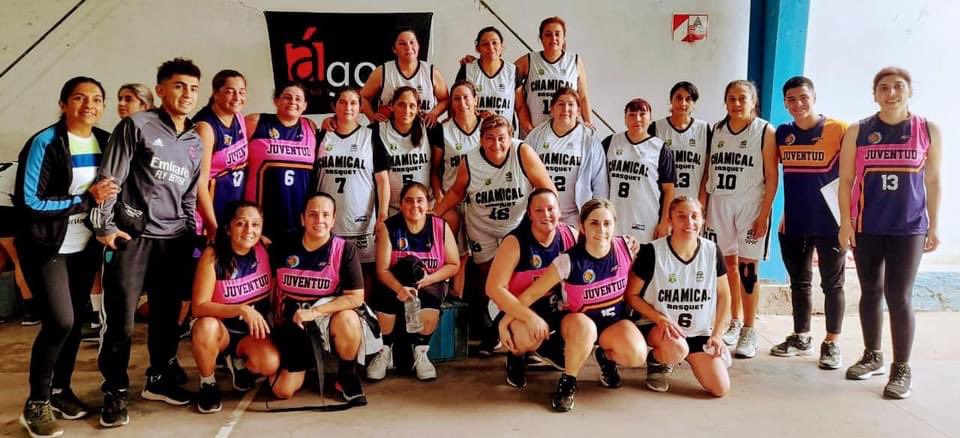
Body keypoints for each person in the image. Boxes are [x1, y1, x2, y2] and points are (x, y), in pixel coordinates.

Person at [92, 58, 204, 427]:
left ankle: (158, 378)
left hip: (173, 242)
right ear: (160, 90)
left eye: (192, 88)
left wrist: (190, 232)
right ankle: (115, 390)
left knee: (166, 320)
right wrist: (106, 228)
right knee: (121, 321)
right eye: (178, 86)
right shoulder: (136, 126)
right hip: (133, 240)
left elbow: (189, 195)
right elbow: (110, 179)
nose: (186, 94)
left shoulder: (193, 141)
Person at [13, 76, 119, 438]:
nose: (88, 105)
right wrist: (86, 199)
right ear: (63, 104)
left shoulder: (106, 141)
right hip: (46, 246)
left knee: (75, 323)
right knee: (59, 320)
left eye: (96, 99)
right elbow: (30, 201)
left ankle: (60, 391)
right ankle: (37, 402)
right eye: (78, 98)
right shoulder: (45, 142)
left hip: (84, 245)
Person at [838, 67, 941, 400]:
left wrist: (934, 225)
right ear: (875, 94)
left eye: (898, 87)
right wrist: (846, 222)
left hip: (908, 228)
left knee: (899, 297)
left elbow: (934, 181)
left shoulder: (927, 129)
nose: (891, 93)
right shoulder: (859, 130)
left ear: (909, 91)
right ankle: (872, 355)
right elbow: (846, 182)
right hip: (868, 225)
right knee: (870, 291)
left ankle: (901, 367)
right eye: (884, 87)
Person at [433, 115, 554, 353]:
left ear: (511, 137)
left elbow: (546, 187)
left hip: (517, 227)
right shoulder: (470, 160)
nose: (496, 144)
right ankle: (495, 328)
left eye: (501, 138)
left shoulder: (523, 153)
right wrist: (434, 214)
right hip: (482, 226)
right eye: (489, 139)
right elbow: (457, 191)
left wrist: (550, 220)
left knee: (515, 279)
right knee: (489, 280)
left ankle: (515, 324)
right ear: (480, 140)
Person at [513, 199, 645, 412]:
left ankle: (605, 356)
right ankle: (568, 381)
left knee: (636, 354)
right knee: (585, 328)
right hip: (576, 325)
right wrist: (505, 322)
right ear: (582, 227)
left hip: (611, 323)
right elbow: (531, 294)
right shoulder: (567, 261)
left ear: (614, 225)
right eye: (594, 223)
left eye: (607, 223)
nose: (601, 229)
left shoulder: (626, 248)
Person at [269, 193, 378, 403]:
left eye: (325, 215)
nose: (319, 220)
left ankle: (347, 375)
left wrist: (315, 312)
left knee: (349, 318)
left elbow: (355, 298)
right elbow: (271, 282)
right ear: (302, 218)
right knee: (283, 391)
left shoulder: (345, 249)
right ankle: (275, 362)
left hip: (326, 316)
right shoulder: (283, 244)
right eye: (313, 214)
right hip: (293, 320)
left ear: (333, 219)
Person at [770, 76, 848, 369]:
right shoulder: (782, 134)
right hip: (794, 221)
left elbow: (852, 177)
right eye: (791, 99)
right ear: (785, 103)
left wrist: (849, 219)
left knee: (833, 284)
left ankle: (832, 342)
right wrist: (782, 213)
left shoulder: (839, 130)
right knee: (799, 282)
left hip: (831, 222)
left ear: (814, 97)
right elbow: (776, 175)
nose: (798, 104)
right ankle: (801, 336)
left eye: (803, 97)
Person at [625, 196, 732, 396]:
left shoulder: (712, 251)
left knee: (720, 389)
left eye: (694, 217)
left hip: (698, 332)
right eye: (681, 216)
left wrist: (717, 335)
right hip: (659, 327)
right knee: (676, 348)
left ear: (703, 220)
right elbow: (631, 295)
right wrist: (659, 318)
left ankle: (688, 355)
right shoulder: (652, 252)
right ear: (670, 220)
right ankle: (658, 360)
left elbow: (725, 296)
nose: (689, 223)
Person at [704, 80, 778, 359]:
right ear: (725, 102)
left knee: (748, 269)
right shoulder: (717, 130)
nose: (736, 104)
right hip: (720, 203)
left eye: (742, 99)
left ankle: (749, 328)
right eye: (731, 98)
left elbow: (772, 177)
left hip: (750, 205)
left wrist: (764, 214)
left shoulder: (764, 131)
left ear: (753, 101)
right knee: (728, 265)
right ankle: (734, 321)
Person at [191, 201, 279, 413]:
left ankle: (238, 361)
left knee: (269, 363)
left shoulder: (265, 249)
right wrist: (241, 309)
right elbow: (199, 307)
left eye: (255, 224)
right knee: (205, 326)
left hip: (250, 333)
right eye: (241, 223)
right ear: (228, 228)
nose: (249, 230)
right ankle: (207, 383)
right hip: (220, 330)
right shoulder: (213, 256)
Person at [368, 182, 460, 381]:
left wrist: (429, 279)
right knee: (396, 278)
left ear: (428, 204)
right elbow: (382, 270)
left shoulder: (440, 226)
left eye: (420, 201)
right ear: (400, 204)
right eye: (409, 201)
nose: (414, 205)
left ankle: (421, 351)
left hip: (430, 282)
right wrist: (399, 288)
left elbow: (454, 264)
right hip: (395, 284)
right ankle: (385, 350)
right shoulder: (389, 227)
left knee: (429, 295)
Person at [486, 188, 577, 388]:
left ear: (560, 211)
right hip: (512, 306)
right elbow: (493, 289)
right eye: (539, 210)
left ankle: (548, 346)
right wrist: (529, 317)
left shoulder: (569, 235)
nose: (546, 215)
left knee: (580, 323)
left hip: (551, 304)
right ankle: (517, 355)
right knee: (527, 334)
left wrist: (629, 244)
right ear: (529, 214)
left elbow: (598, 248)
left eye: (551, 209)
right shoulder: (515, 241)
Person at [314, 87, 390, 300]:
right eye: (343, 102)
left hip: (361, 221)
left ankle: (364, 320)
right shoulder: (323, 136)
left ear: (360, 107)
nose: (348, 107)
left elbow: (382, 179)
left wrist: (382, 214)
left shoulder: (370, 136)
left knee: (365, 273)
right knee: (328, 271)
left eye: (354, 103)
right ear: (334, 106)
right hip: (326, 221)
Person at [244, 83, 317, 241]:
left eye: (298, 99)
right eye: (287, 97)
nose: (292, 102)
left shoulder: (310, 127)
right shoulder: (255, 122)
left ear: (304, 106)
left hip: (299, 223)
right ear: (276, 100)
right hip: (260, 223)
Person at [525, 87, 608, 226]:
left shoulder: (589, 139)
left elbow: (600, 183)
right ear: (551, 108)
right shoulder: (536, 135)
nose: (565, 109)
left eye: (571, 104)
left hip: (576, 216)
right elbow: (523, 173)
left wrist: (598, 216)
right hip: (542, 214)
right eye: (560, 104)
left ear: (579, 111)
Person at [429, 80, 481, 297]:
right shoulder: (443, 130)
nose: (461, 103)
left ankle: (478, 300)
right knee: (457, 250)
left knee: (476, 254)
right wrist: (439, 194)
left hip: (480, 199)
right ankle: (454, 295)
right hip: (453, 198)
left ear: (475, 100)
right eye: (456, 98)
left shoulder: (487, 127)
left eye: (466, 97)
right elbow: (434, 169)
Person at [603, 97, 676, 243]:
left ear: (650, 118)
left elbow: (669, 189)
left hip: (646, 222)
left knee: (641, 263)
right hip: (614, 219)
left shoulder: (660, 148)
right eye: (631, 115)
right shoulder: (610, 142)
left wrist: (665, 222)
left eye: (642, 114)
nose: (637, 119)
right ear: (625, 118)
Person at [195, 69, 249, 241]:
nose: (237, 97)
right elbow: (199, 183)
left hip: (230, 211)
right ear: (215, 93)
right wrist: (211, 224)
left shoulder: (239, 118)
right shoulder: (205, 128)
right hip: (206, 217)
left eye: (241, 92)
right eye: (229, 91)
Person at [515, 16, 593, 133]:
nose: (553, 38)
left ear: (564, 38)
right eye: (548, 34)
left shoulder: (574, 60)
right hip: (534, 131)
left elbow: (583, 96)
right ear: (541, 38)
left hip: (567, 131)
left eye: (557, 34)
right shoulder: (528, 61)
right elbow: (503, 74)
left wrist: (589, 123)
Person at [360, 27, 448, 128]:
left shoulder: (432, 72)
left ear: (418, 45)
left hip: (422, 129)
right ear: (394, 49)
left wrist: (434, 113)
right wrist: (372, 117)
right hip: (390, 130)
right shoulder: (382, 71)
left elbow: (445, 99)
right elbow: (362, 97)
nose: (408, 47)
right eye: (402, 43)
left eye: (412, 42)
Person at [372, 86, 432, 215]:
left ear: (418, 109)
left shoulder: (429, 129)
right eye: (401, 105)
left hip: (423, 208)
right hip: (393, 208)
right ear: (391, 106)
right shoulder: (378, 130)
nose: (406, 110)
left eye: (412, 106)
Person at [649, 81, 712, 202]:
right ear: (670, 100)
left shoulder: (703, 128)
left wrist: (702, 201)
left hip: (692, 201)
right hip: (663, 201)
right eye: (678, 97)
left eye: (688, 99)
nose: (683, 103)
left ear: (693, 103)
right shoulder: (656, 127)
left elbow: (707, 171)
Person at [455, 26, 519, 121]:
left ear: (502, 47)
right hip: (474, 131)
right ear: (478, 48)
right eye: (485, 44)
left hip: (503, 132)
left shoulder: (512, 71)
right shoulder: (467, 69)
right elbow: (456, 103)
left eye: (494, 43)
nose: (490, 47)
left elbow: (521, 107)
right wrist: (478, 116)